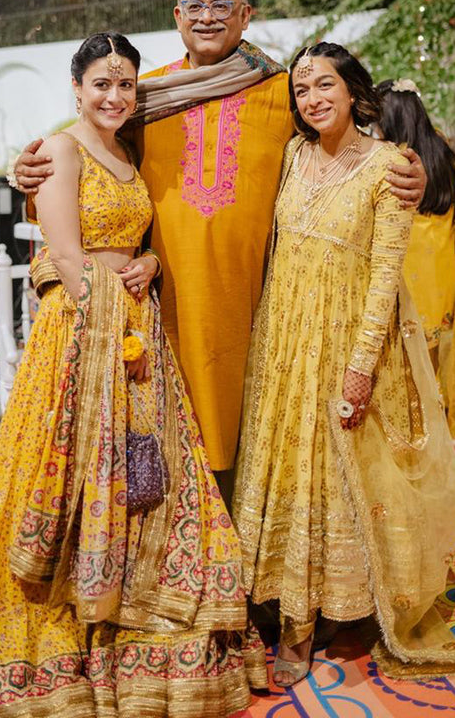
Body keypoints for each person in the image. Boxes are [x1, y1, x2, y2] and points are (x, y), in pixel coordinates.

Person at [0, 33, 267, 718]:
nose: (115, 97)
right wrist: (118, 311)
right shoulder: (59, 150)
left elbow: (132, 245)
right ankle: (63, 631)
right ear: (75, 88)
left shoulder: (127, 151)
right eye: (102, 84)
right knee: (71, 473)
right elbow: (70, 258)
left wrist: (152, 267)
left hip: (136, 334)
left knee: (144, 481)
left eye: (125, 85)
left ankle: (130, 619)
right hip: (82, 337)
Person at [11, 0, 426, 494]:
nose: (208, 18)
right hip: (159, 299)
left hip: (257, 304)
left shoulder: (281, 89)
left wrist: (409, 169)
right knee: (151, 438)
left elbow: (347, 144)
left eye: (222, 7)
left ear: (246, 15)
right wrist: (29, 175)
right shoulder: (145, 95)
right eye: (196, 8)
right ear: (178, 17)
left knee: (248, 434)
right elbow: (93, 168)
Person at [232, 42, 455, 687]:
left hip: (349, 346)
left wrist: (360, 367)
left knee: (335, 481)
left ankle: (320, 621)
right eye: (302, 90)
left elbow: (387, 275)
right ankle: (280, 615)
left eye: (324, 85)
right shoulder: (292, 157)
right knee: (284, 474)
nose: (312, 99)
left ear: (354, 93)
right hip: (282, 345)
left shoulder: (389, 166)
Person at [376, 78, 455, 371]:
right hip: (445, 264)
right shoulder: (441, 146)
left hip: (413, 270)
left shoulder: (397, 160)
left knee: (415, 367)